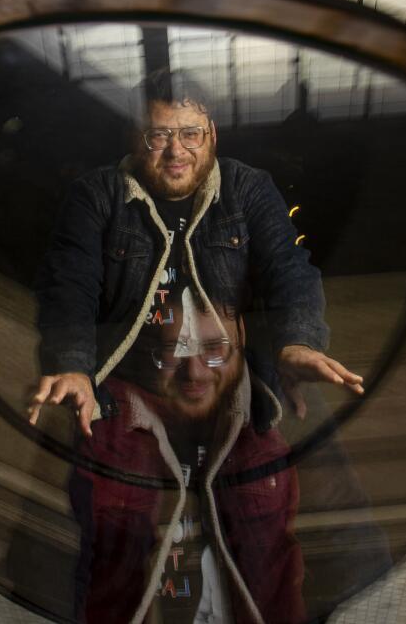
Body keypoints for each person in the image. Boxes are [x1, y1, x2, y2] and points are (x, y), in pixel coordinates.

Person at [28, 70, 363, 436]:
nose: (176, 150)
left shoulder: (248, 188)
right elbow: (70, 284)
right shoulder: (95, 195)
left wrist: (298, 344)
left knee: (314, 463)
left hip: (230, 382)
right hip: (130, 384)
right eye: (159, 135)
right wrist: (73, 365)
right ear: (135, 140)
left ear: (211, 136)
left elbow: (288, 268)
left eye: (191, 134)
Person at [69, 290, 305, 624]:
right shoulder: (115, 434)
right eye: (173, 352)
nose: (193, 373)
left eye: (213, 350)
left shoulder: (260, 441)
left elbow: (280, 588)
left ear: (240, 340)